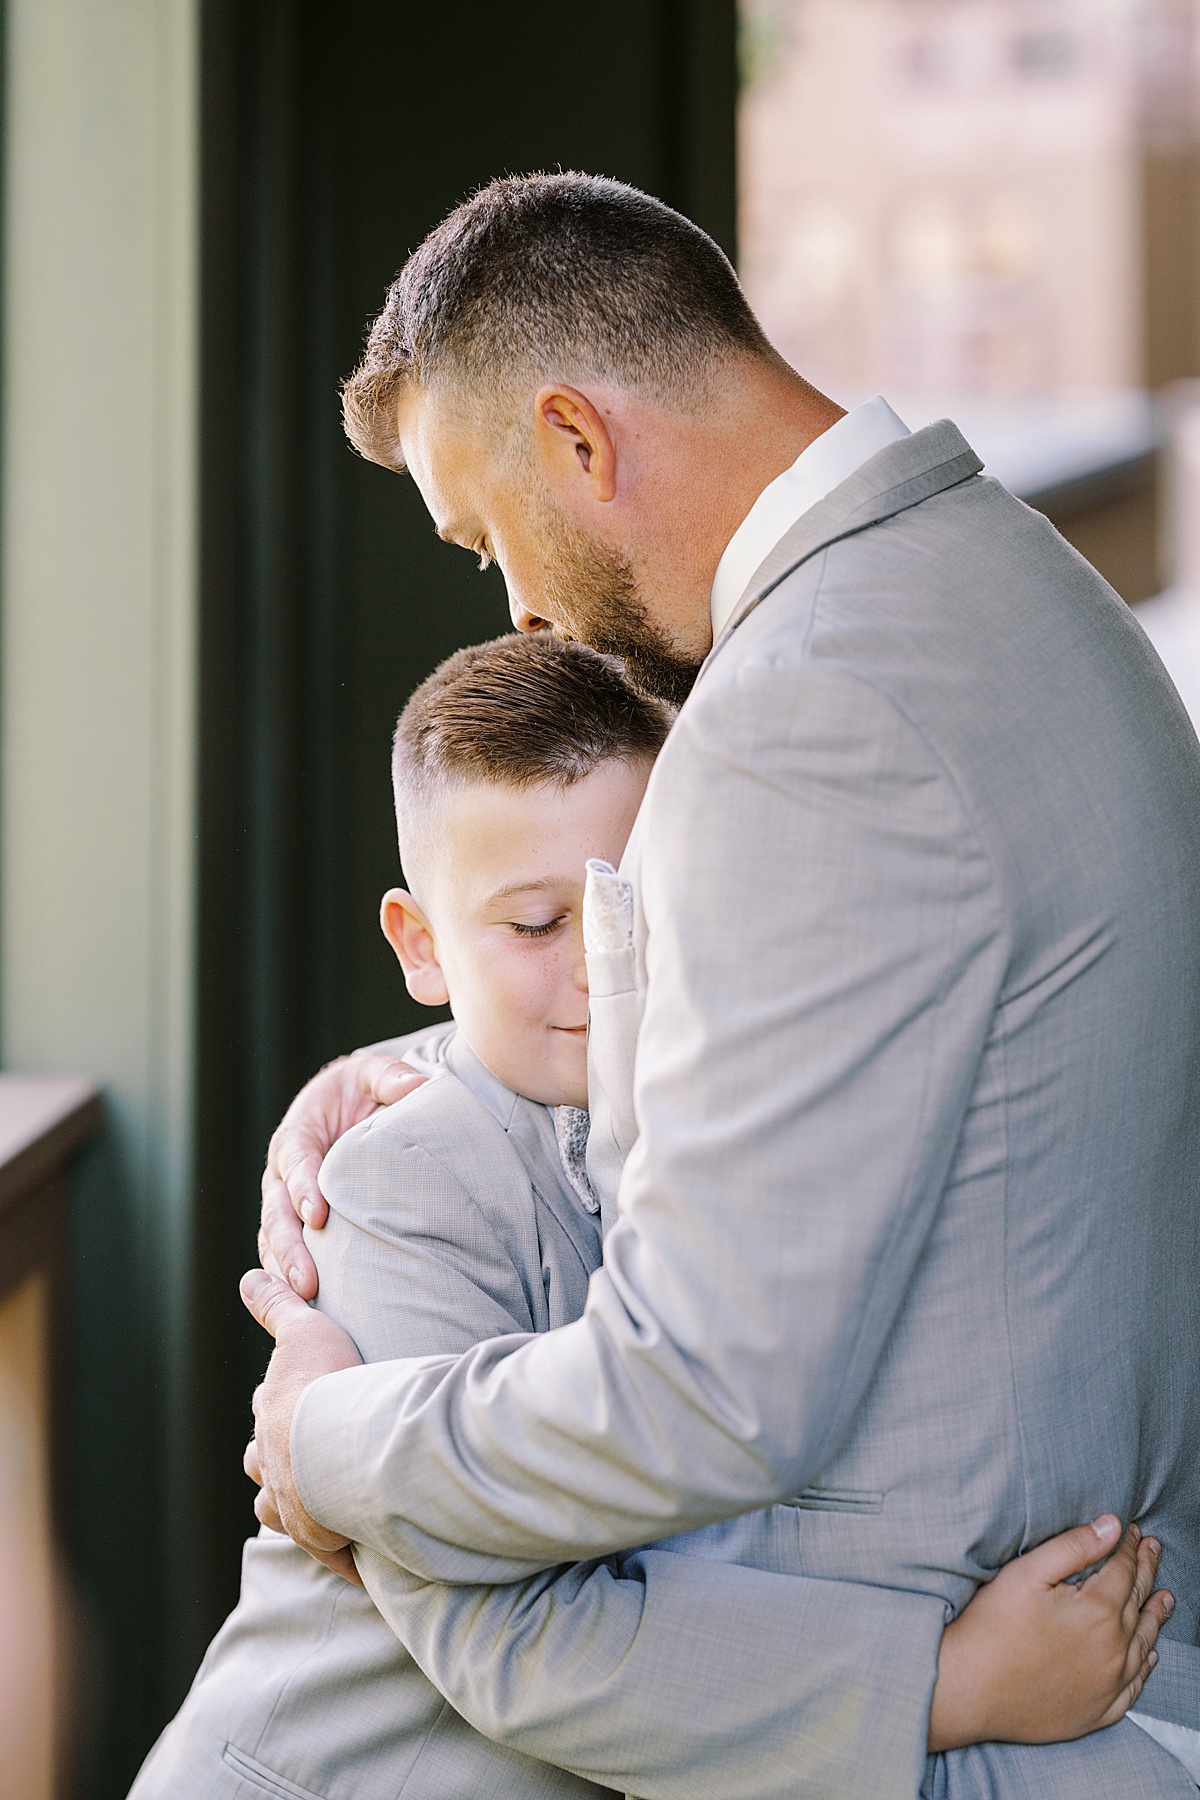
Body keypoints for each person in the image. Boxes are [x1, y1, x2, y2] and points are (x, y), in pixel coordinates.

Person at [250, 175, 1200, 1794]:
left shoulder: (805, 710)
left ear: (576, 441)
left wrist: (334, 1439)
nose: (523, 614)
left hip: (978, 1731)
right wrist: (424, 1070)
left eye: (488, 540)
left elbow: (702, 1391)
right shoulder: (1020, 586)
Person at [130, 634, 1167, 1800]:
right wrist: (948, 1686)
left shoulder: (724, 1106)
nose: (596, 968)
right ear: (419, 944)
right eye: (534, 926)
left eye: (630, 907)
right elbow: (517, 1632)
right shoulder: (397, 1183)